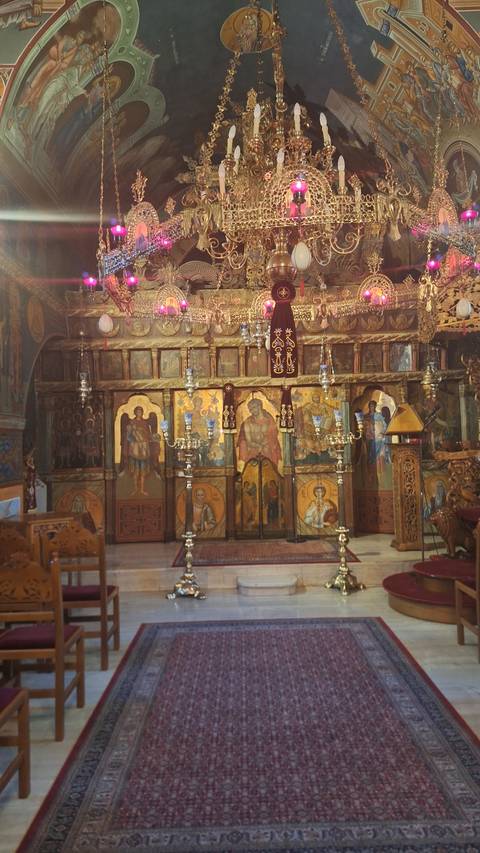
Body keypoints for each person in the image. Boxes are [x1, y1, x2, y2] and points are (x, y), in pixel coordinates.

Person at [125, 406, 158, 497]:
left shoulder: (145, 423)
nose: (139, 413)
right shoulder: (131, 423)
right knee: (135, 470)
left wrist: (153, 438)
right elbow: (128, 437)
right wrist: (135, 439)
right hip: (135, 449)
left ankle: (142, 489)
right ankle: (135, 489)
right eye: (138, 411)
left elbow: (149, 435)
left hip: (144, 449)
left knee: (143, 470)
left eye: (141, 411)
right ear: (135, 412)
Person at [238, 398, 281, 466]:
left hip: (268, 449)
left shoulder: (269, 419)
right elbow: (249, 441)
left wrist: (265, 445)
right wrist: (259, 446)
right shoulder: (247, 422)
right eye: (250, 409)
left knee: (270, 465)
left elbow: (273, 436)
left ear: (259, 406)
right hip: (254, 450)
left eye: (253, 408)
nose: (251, 411)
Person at [364, 400, 389, 469]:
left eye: (373, 406)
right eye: (371, 406)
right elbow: (364, 426)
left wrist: (383, 432)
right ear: (369, 407)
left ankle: (379, 468)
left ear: (375, 406)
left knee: (379, 453)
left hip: (378, 436)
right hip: (369, 436)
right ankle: (371, 466)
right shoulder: (366, 416)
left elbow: (384, 425)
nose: (372, 407)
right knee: (370, 451)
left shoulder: (378, 415)